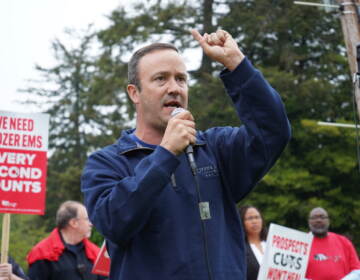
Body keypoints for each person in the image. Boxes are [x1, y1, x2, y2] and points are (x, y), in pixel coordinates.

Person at [81, 29, 291, 279]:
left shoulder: (214, 149)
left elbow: (274, 131)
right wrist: (166, 154)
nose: (174, 88)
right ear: (134, 93)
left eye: (181, 79)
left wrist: (238, 66)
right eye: (161, 79)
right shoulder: (107, 163)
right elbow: (114, 223)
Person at [27, 201, 104, 280]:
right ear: (74, 223)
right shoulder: (41, 253)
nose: (91, 224)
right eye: (87, 219)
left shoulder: (95, 252)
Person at [305, 207, 360, 280]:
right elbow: (292, 273)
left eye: (322, 217)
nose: (318, 220)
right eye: (314, 217)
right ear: (309, 221)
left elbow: (357, 271)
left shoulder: (343, 242)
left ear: (328, 221)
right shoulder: (301, 243)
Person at [239, 205, 267, 280]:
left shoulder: (271, 243)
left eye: (257, 217)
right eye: (250, 218)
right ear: (241, 222)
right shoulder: (240, 249)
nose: (254, 221)